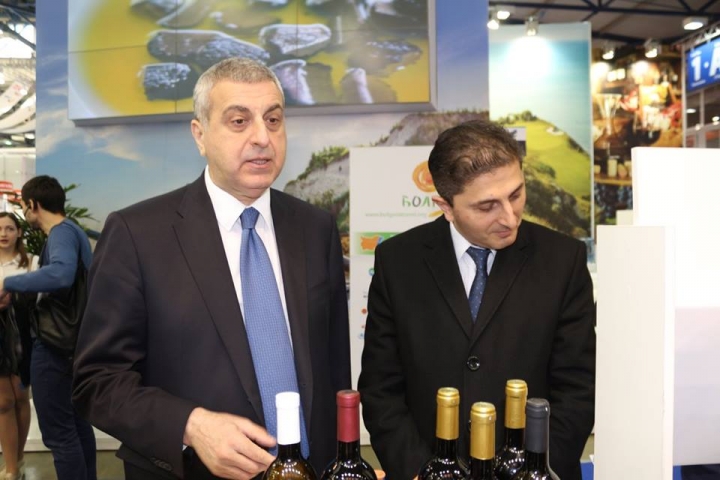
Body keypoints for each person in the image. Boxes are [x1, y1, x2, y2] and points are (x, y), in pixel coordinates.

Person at [72, 57, 351, 480]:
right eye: (239, 121)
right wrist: (191, 426)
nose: (262, 137)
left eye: (273, 119)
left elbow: (333, 369)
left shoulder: (315, 228)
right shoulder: (138, 234)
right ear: (199, 135)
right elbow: (97, 380)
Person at [358, 119, 596, 480]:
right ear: (446, 206)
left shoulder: (563, 261)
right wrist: (423, 473)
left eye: (515, 195)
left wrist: (535, 472)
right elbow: (381, 391)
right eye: (487, 207)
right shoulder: (398, 262)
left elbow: (577, 392)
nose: (509, 218)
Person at [0, 176, 96, 480]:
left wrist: (8, 282)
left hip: (55, 348)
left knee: (60, 435)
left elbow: (61, 275)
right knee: (76, 426)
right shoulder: (72, 231)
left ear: (33, 204)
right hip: (72, 346)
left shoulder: (61, 234)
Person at [0, 212, 38, 480]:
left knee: (21, 398)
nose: (3, 234)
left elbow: (41, 299)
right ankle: (12, 469)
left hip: (23, 334)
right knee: (3, 402)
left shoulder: (32, 262)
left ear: (19, 232)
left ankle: (19, 459)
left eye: (9, 228)